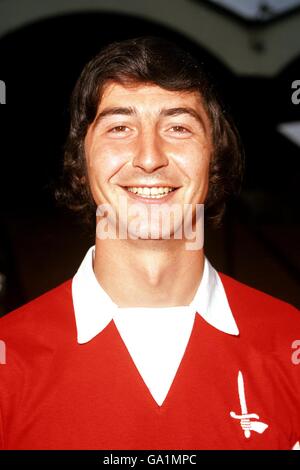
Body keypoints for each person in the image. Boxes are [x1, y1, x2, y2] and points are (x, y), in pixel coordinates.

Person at [0, 37, 299, 450]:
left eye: (178, 127)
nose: (149, 157)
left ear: (214, 158)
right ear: (81, 160)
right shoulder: (8, 359)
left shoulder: (290, 346)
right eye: (120, 127)